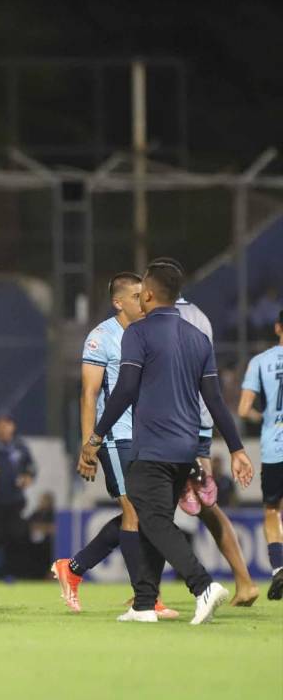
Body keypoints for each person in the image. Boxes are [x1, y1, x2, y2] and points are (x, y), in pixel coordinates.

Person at [79, 260, 253, 624]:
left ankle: (202, 584)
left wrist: (95, 436)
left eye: (142, 290)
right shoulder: (198, 338)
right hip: (187, 447)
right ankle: (144, 603)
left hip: (152, 445)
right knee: (150, 517)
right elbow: (216, 401)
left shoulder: (138, 334)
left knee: (152, 519)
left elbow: (125, 390)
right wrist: (236, 448)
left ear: (151, 294)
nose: (139, 295)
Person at [51, 273, 178, 617]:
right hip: (115, 437)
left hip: (148, 437)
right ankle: (146, 600)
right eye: (137, 296)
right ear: (119, 302)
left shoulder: (149, 333)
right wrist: (88, 444)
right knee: (136, 513)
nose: (144, 300)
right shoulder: (101, 337)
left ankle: (74, 568)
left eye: (146, 295)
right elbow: (89, 394)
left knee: (143, 515)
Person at [175, 292, 258, 605]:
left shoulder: (164, 321)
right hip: (200, 424)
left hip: (175, 423)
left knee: (151, 504)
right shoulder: (200, 318)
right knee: (208, 509)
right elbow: (209, 385)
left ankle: (146, 593)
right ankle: (245, 581)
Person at [238, 310, 283, 599]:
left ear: (278, 327)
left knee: (272, 511)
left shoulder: (260, 362)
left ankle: (279, 569)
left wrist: (264, 417)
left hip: (274, 446)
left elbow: (243, 410)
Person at [0, 415, 36, 578]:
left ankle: (15, 572)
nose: (4, 428)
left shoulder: (20, 447)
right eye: (0, 425)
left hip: (15, 501)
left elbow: (31, 467)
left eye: (7, 424)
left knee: (17, 537)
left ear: (12, 426)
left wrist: (28, 477)